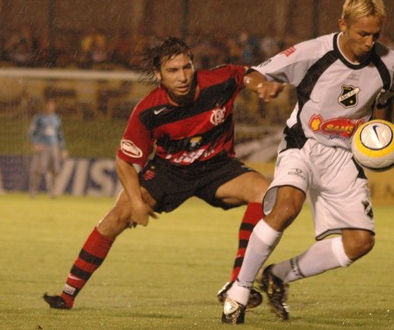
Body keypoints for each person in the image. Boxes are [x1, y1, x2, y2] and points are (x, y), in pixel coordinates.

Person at [43, 37, 269, 310]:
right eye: (173, 71)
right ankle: (67, 294)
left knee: (266, 193)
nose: (183, 77)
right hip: (168, 172)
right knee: (117, 216)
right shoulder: (148, 110)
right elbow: (124, 162)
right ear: (158, 75)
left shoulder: (218, 80)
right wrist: (137, 202)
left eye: (186, 68)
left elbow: (247, 74)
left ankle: (237, 284)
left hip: (216, 166)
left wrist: (262, 85)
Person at [221, 0, 394, 324]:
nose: (369, 42)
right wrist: (264, 87)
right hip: (303, 144)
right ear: (342, 25)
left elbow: (383, 102)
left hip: (345, 157)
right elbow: (255, 73)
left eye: (376, 34)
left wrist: (383, 140)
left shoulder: (389, 61)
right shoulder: (313, 52)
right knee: (286, 206)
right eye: (362, 33)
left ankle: (278, 276)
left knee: (360, 242)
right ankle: (239, 291)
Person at [28, 98, 68, 199]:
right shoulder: (39, 118)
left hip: (54, 146)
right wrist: (35, 142)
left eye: (52, 105)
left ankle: (53, 192)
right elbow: (31, 132)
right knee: (38, 169)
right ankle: (34, 192)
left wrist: (63, 148)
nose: (50, 107)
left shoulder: (56, 119)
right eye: (48, 105)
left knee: (54, 170)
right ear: (45, 106)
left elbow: (60, 134)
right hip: (43, 146)